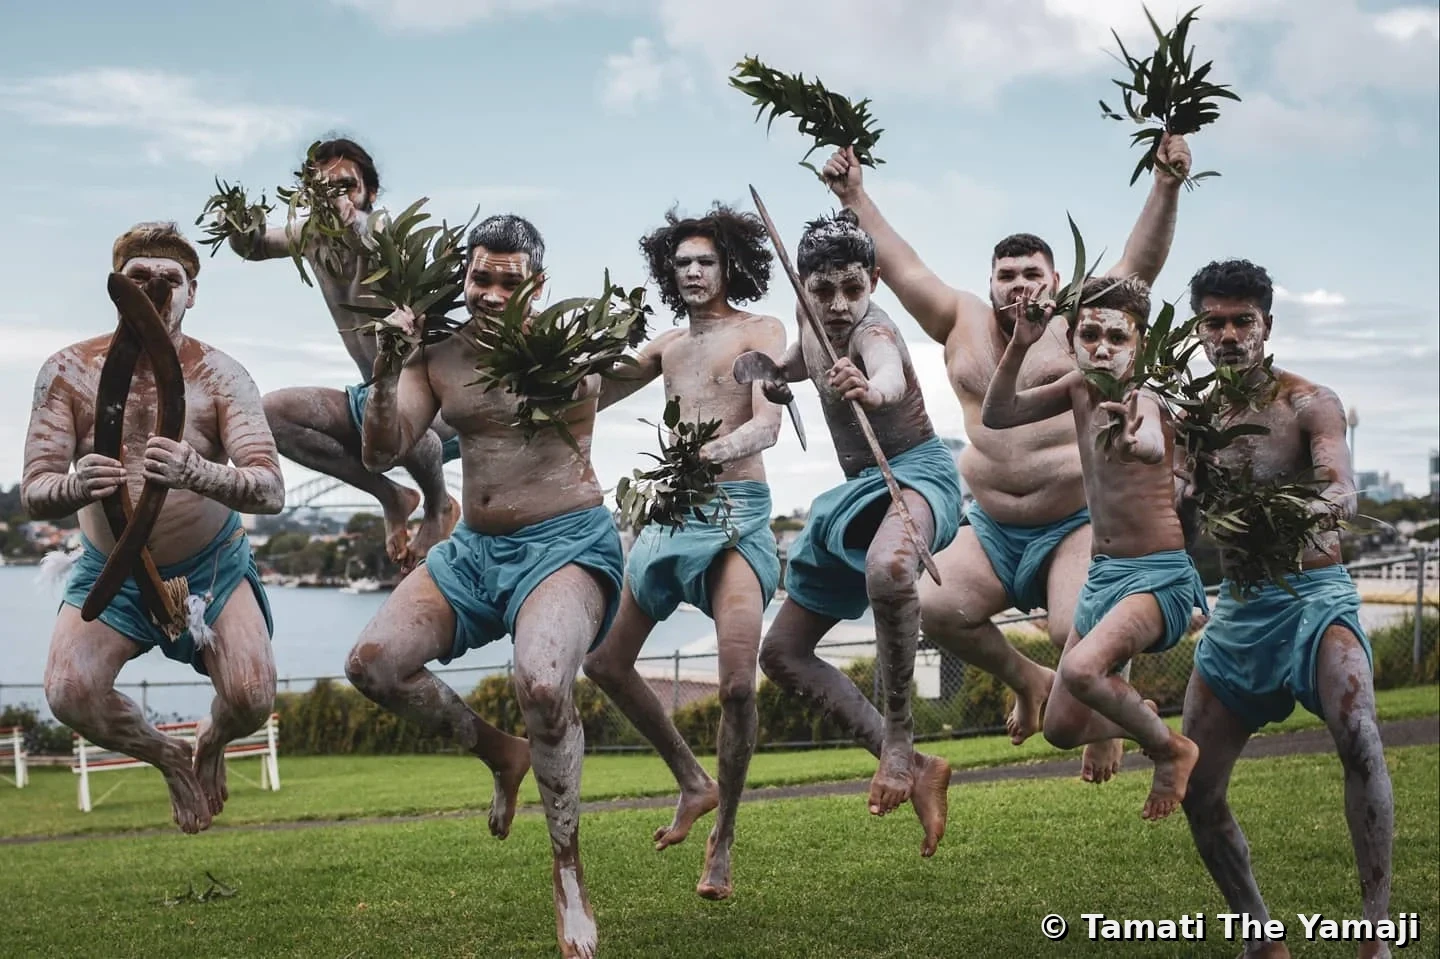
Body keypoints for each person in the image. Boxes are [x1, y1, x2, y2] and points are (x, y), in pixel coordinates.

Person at [821, 135, 1191, 781]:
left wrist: (1164, 184)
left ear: (1056, 283)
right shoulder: (957, 317)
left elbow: (1140, 266)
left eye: (1033, 275)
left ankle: (1110, 716)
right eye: (1007, 274)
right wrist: (853, 195)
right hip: (991, 525)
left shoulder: (1080, 322)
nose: (1019, 284)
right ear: (990, 280)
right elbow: (901, 264)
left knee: (1075, 625)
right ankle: (1029, 681)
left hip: (1071, 523)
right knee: (933, 606)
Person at [343, 214, 622, 959]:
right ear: (462, 278)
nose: (493, 293)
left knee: (540, 680)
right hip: (474, 551)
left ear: (537, 281)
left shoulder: (576, 347)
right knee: (373, 664)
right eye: (481, 278)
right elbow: (382, 448)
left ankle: (567, 869)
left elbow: (655, 360)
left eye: (510, 279)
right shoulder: (437, 357)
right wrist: (383, 364)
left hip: (565, 543)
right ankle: (501, 752)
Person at [23, 222, 284, 834]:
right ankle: (168, 755)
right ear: (117, 289)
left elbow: (270, 488)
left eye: (171, 281)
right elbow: (36, 491)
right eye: (139, 279)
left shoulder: (222, 375)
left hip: (210, 566)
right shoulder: (67, 371)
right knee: (69, 690)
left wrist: (201, 472)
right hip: (109, 566)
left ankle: (211, 739)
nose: (157, 292)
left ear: (193, 292)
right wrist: (72, 484)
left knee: (250, 695)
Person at [1181, 260, 1393, 958]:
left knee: (1359, 730)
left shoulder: (1308, 402)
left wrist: (1284, 515)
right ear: (1198, 330)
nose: (1230, 334)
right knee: (1196, 786)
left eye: (1243, 320)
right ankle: (1259, 933)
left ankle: (1374, 931)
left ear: (1267, 325)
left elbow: (1341, 487)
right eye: (1216, 321)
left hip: (1314, 597)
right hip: (1239, 609)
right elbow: (1173, 515)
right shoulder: (1195, 420)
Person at [584, 205, 785, 900]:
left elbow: (766, 426)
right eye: (682, 264)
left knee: (735, 684)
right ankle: (691, 779)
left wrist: (714, 450)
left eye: (705, 260)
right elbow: (588, 393)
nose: (694, 272)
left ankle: (723, 838)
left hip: (736, 514)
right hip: (670, 515)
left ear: (728, 263)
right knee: (604, 660)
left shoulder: (761, 331)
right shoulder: (666, 346)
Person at [754, 211, 961, 857]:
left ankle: (898, 743)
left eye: (852, 288)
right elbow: (797, 360)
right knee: (782, 653)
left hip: (918, 474)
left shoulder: (874, 330)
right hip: (857, 491)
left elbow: (890, 371)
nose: (839, 305)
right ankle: (917, 765)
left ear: (872, 281)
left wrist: (871, 389)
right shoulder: (813, 325)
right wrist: (769, 374)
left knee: (890, 569)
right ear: (802, 290)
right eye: (823, 291)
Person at [981, 277, 1207, 821]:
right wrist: (1020, 343)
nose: (1101, 348)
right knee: (1061, 728)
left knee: (1080, 671)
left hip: (1157, 577)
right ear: (1072, 338)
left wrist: (1138, 442)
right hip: (1104, 577)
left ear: (1141, 344)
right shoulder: (1078, 389)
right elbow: (998, 413)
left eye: (1116, 337)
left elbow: (1151, 440)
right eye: (1089, 335)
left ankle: (1170, 748)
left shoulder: (1145, 400)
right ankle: (1138, 717)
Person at [229, 137, 456, 570]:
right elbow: (255, 247)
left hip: (431, 402)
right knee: (271, 414)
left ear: (368, 192)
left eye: (345, 186)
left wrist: (354, 224)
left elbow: (373, 237)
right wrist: (239, 226)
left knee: (394, 417)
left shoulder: (384, 229)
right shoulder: (311, 235)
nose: (334, 196)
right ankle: (391, 495)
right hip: (372, 396)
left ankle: (438, 504)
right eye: (322, 188)